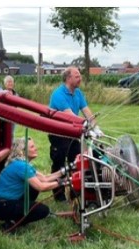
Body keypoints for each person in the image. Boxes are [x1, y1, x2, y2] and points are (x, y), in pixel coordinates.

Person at [0, 137, 68, 232]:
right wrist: (63, 182)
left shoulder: (21, 163)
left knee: (33, 187)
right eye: (32, 147)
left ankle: (14, 217)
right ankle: (12, 223)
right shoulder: (21, 166)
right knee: (43, 210)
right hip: (2, 206)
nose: (36, 148)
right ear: (22, 151)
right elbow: (41, 187)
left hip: (2, 204)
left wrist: (66, 170)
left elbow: (44, 178)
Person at [48, 66, 103, 202]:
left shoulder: (78, 93)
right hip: (58, 133)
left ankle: (75, 192)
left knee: (78, 161)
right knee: (60, 163)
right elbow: (71, 116)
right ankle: (59, 195)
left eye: (80, 75)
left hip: (72, 133)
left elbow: (87, 112)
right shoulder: (58, 94)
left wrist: (96, 128)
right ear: (68, 78)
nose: (80, 78)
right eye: (77, 76)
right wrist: (87, 128)